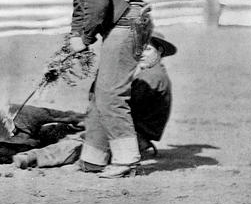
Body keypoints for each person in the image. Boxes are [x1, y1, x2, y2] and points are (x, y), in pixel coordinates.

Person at [21, 0, 151, 178]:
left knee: (111, 94)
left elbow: (97, 5)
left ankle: (127, 161)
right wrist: (74, 37)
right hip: (120, 26)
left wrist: (86, 36)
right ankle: (94, 157)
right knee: (98, 94)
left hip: (128, 24)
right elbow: (81, 8)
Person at [13, 31, 176, 169]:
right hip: (127, 129)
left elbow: (121, 109)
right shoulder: (151, 74)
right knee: (66, 130)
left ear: (160, 51)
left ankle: (33, 157)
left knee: (84, 143)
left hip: (131, 135)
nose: (140, 54)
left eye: (147, 49)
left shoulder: (152, 77)